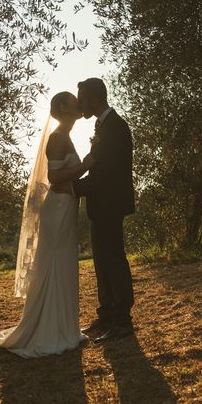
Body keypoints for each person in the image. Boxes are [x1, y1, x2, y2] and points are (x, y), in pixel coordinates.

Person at [0, 92, 94, 357]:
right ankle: (50, 330)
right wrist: (84, 165)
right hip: (58, 208)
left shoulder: (65, 135)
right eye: (74, 101)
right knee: (55, 261)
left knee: (62, 261)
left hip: (65, 206)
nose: (79, 105)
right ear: (63, 107)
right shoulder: (58, 137)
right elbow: (54, 176)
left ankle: (63, 326)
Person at [73, 78, 136, 342]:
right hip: (101, 204)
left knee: (112, 259)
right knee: (102, 260)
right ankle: (107, 315)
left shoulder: (116, 127)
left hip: (110, 203)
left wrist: (73, 188)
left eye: (82, 98)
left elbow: (107, 172)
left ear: (95, 98)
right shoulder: (103, 125)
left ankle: (122, 320)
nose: (79, 104)